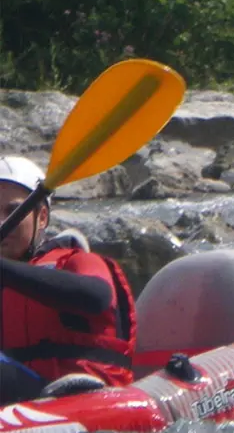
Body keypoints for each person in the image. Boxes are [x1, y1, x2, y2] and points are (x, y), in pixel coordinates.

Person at [0, 157, 136, 405]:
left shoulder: (77, 261)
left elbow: (96, 297)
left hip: (82, 393)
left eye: (12, 211)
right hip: (18, 395)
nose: (1, 221)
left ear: (42, 218)